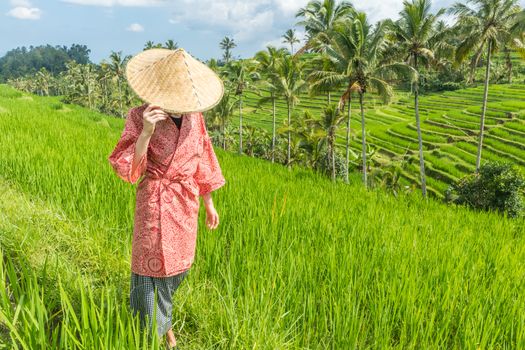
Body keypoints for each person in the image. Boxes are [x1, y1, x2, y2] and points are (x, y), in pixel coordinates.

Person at [107, 48, 226, 349]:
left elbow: (204, 158)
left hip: (185, 203)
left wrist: (209, 202)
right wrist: (146, 131)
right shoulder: (138, 116)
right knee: (148, 271)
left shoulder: (195, 119)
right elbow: (130, 169)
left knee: (177, 270)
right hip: (154, 201)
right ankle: (155, 334)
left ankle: (164, 323)